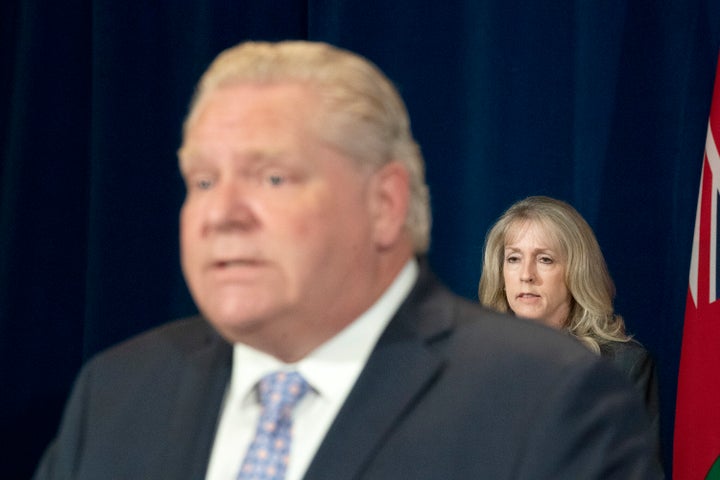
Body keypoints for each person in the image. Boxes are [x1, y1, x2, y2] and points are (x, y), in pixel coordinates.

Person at [34, 41, 661, 480]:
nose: (219, 214)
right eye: (201, 181)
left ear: (384, 205)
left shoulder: (545, 396)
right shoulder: (115, 393)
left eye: (272, 177)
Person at [478, 195, 660, 454]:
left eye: (545, 259)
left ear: (577, 271)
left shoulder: (623, 368)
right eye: (514, 258)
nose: (526, 275)